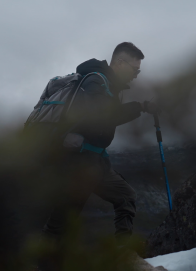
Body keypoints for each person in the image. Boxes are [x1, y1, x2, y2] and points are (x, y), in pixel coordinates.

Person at [42, 42, 159, 240]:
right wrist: (141, 106)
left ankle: (123, 254)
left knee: (125, 197)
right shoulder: (95, 82)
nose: (135, 75)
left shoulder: (109, 86)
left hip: (96, 161)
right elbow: (103, 116)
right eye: (134, 70)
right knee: (63, 220)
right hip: (78, 164)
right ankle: (44, 264)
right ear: (120, 63)